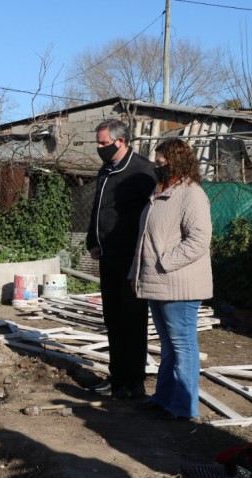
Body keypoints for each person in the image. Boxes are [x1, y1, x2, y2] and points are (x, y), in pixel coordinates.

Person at [129, 138, 213, 421]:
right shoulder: (160, 192)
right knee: (168, 345)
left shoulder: (191, 194)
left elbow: (199, 239)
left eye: (161, 159)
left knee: (182, 345)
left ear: (177, 160)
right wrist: (136, 273)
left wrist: (165, 262)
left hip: (179, 284)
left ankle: (183, 407)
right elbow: (145, 240)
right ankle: (164, 398)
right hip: (157, 282)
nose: (157, 164)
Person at [86, 120, 157, 399]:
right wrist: (93, 241)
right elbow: (98, 209)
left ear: (121, 141)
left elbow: (152, 216)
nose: (99, 148)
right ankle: (117, 379)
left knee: (133, 318)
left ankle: (134, 381)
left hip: (131, 257)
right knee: (112, 318)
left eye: (103, 143)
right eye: (98, 142)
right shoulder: (106, 170)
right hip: (107, 255)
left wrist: (144, 251)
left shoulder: (141, 170)